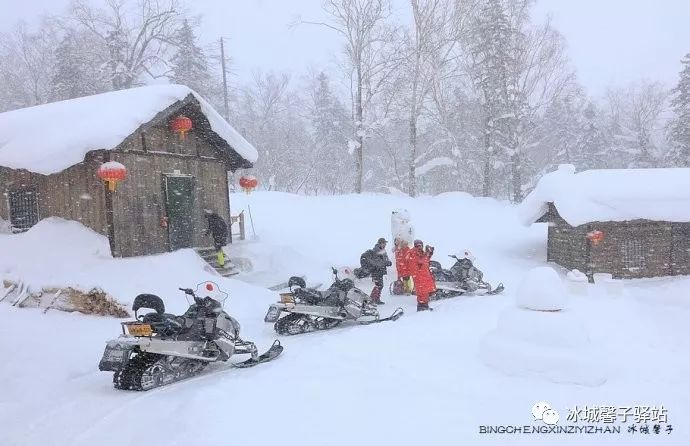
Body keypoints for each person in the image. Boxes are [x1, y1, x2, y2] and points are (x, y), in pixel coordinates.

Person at [359, 237, 392, 305]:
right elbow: (376, 262)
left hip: (380, 270)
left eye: (385, 243)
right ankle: (373, 300)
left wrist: (388, 262)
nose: (385, 244)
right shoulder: (376, 250)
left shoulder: (382, 250)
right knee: (378, 285)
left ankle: (376, 299)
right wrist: (385, 263)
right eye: (384, 243)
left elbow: (384, 260)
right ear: (380, 243)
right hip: (376, 271)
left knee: (380, 285)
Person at [408, 239, 435, 311]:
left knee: (424, 292)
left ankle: (423, 306)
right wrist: (427, 253)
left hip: (423, 275)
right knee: (423, 292)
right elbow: (420, 262)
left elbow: (426, 260)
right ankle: (423, 308)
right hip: (419, 276)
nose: (420, 247)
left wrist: (430, 253)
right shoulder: (413, 253)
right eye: (418, 245)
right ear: (415, 245)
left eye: (421, 245)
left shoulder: (419, 252)